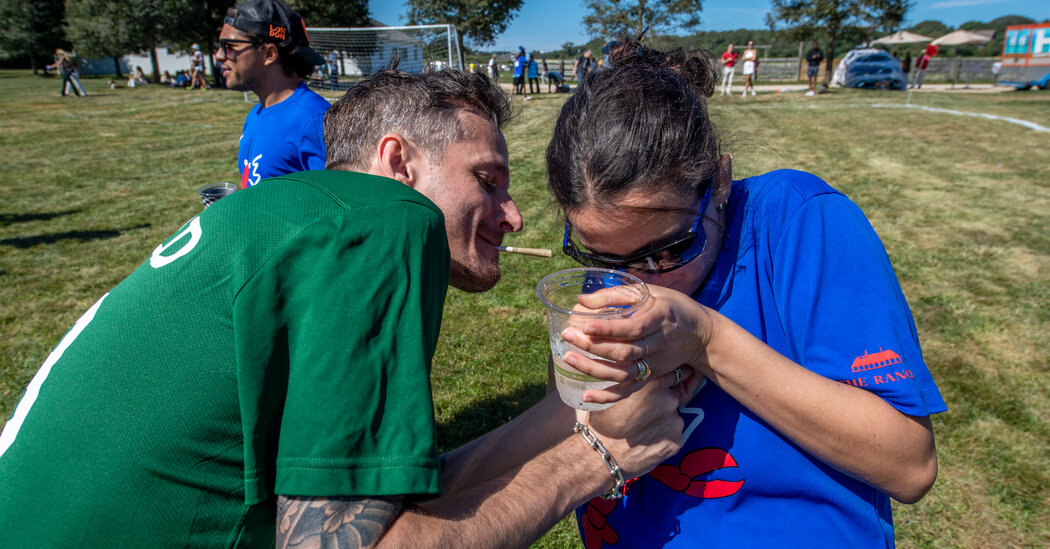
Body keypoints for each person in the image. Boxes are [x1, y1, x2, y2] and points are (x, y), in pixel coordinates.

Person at [0, 61, 686, 547]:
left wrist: (564, 419)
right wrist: (596, 459)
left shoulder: (293, 213)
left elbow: (362, 509)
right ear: (397, 162)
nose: (513, 216)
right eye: (486, 179)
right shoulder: (386, 219)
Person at [544, 38, 946, 548]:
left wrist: (705, 340)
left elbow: (908, 464)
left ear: (721, 181)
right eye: (603, 260)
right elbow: (574, 414)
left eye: (668, 252)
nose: (639, 284)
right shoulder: (619, 272)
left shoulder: (798, 220)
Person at [216, 0, 330, 188]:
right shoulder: (255, 114)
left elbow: (339, 205)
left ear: (269, 53)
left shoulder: (315, 121)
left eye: (228, 46)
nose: (219, 55)